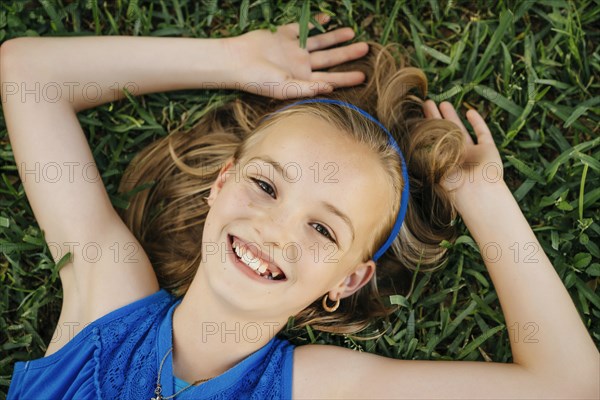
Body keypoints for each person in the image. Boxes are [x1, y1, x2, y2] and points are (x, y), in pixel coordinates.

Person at [2, 12, 598, 400]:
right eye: (265, 185)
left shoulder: (315, 385)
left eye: (322, 228)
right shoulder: (109, 306)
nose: (276, 229)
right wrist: (227, 59)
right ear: (221, 183)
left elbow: (571, 384)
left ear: (348, 278)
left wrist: (483, 198)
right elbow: (27, 73)